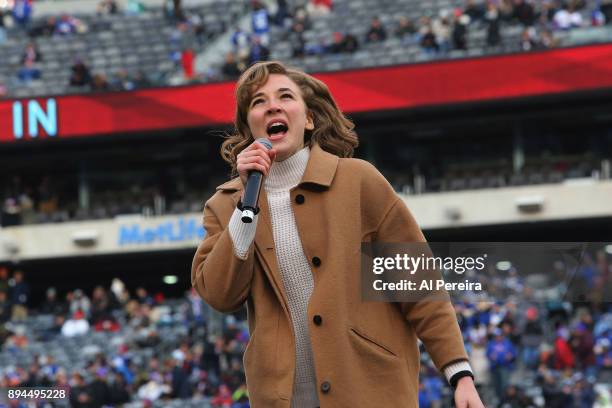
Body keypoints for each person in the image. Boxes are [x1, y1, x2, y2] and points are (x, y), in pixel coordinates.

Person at [191, 61, 484, 407]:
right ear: (249, 127)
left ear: (309, 119)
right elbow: (219, 294)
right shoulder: (225, 205)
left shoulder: (358, 181)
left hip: (369, 393)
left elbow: (417, 282)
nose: (272, 105)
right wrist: (246, 206)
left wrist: (459, 374)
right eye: (258, 102)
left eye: (285, 96)